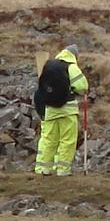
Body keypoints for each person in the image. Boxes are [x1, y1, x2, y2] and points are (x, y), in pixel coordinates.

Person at [32, 43, 90, 176]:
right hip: (67, 110)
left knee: (48, 140)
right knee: (67, 140)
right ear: (74, 55)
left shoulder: (49, 65)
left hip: (50, 109)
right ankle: (63, 170)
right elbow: (82, 86)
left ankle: (43, 169)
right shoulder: (71, 66)